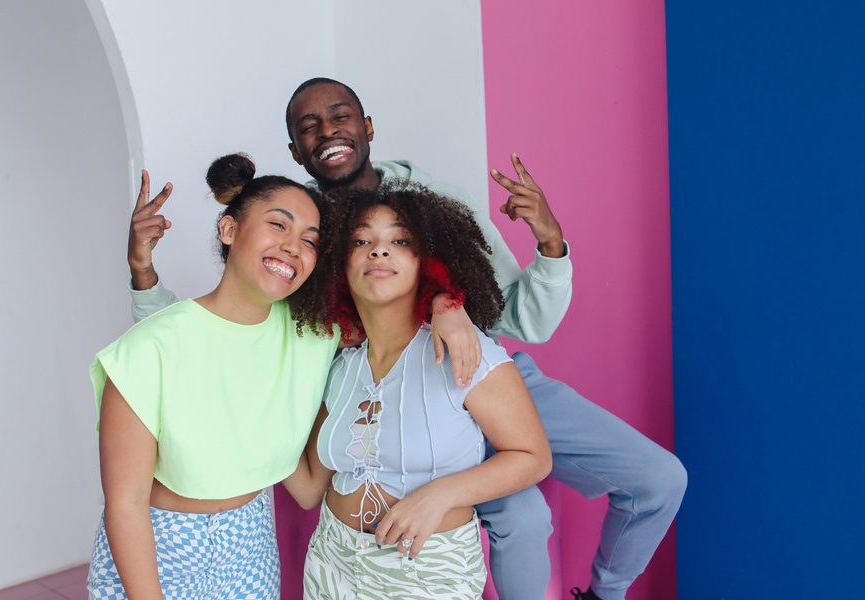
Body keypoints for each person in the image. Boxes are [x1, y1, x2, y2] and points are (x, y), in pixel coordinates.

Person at [128, 78, 687, 600]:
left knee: (658, 478)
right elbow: (233, 317)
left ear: (368, 127)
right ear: (295, 152)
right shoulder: (304, 227)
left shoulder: (438, 202)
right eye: (309, 127)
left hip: (480, 371)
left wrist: (539, 251)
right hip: (383, 391)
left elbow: (525, 320)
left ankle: (604, 594)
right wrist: (147, 281)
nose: (327, 132)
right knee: (523, 517)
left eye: (340, 116)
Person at [88, 154, 341, 599]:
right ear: (229, 230)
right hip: (162, 546)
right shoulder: (149, 347)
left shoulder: (313, 335)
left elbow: (306, 488)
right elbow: (125, 505)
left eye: (310, 239)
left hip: (252, 545)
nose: (293, 247)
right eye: (278, 225)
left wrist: (447, 310)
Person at [288, 184, 551, 599]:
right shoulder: (340, 368)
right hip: (330, 563)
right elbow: (307, 491)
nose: (378, 250)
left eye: (400, 240)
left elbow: (533, 457)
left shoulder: (464, 350)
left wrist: (439, 496)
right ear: (340, 263)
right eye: (361, 240)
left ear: (428, 262)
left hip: (426, 570)